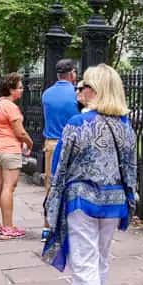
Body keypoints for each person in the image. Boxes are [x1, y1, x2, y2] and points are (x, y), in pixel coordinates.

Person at [41, 64, 137, 285]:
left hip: (81, 199)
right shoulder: (125, 125)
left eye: (84, 85)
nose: (78, 89)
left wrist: (51, 200)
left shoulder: (77, 124)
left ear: (97, 91)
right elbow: (129, 167)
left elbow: (60, 165)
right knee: (101, 258)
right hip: (114, 200)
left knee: (83, 260)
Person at [0, 73, 30, 239]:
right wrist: (30, 143)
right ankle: (8, 228)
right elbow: (20, 132)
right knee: (8, 187)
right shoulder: (11, 107)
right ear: (11, 89)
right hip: (9, 149)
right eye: (19, 87)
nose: (22, 90)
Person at [41, 59, 79, 196]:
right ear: (72, 74)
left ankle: (49, 216)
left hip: (52, 143)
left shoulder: (46, 94)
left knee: (51, 185)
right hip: (73, 144)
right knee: (72, 185)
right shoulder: (77, 94)